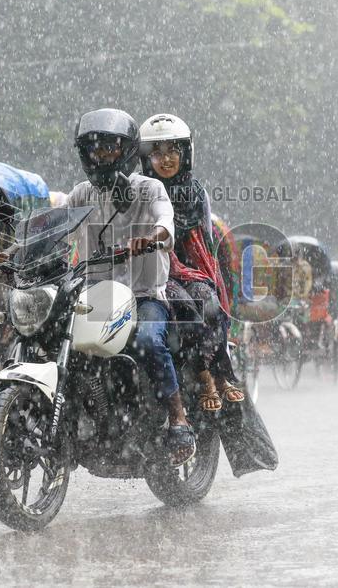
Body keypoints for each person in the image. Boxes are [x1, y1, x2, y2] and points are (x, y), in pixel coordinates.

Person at [66, 108, 195, 466]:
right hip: (95, 295)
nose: (101, 156)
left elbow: (165, 220)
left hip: (143, 296)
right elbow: (54, 224)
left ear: (125, 151)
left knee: (147, 341)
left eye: (109, 148)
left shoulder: (149, 188)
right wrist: (16, 249)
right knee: (61, 340)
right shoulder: (80, 194)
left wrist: (153, 237)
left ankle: (178, 418)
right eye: (95, 150)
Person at [138, 113, 244, 414]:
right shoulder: (138, 192)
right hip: (154, 271)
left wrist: (203, 276)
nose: (166, 159)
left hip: (192, 269)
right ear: (146, 160)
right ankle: (201, 373)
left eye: (173, 150)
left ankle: (216, 369)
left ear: (185, 154)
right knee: (184, 306)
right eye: (156, 153)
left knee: (208, 302)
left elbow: (207, 245)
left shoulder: (197, 193)